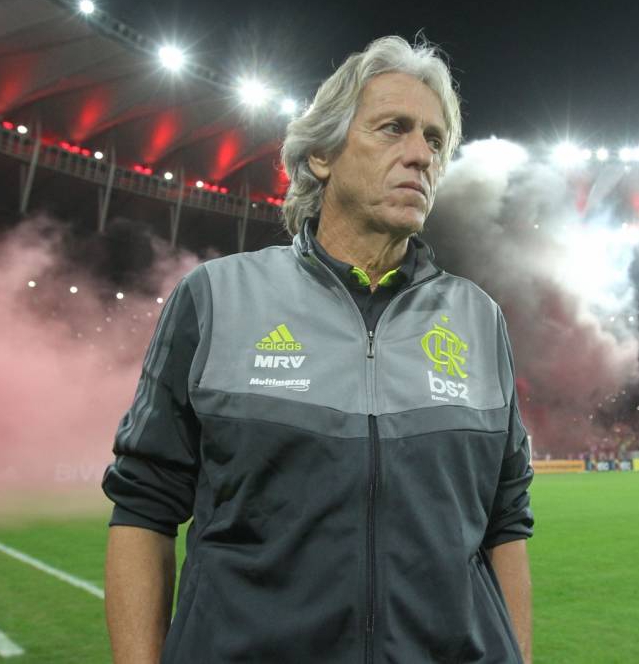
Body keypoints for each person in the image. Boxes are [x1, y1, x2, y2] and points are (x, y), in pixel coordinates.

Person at [101, 36, 534, 663]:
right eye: (394, 129)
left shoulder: (479, 320)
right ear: (323, 154)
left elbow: (506, 523)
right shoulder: (217, 300)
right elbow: (143, 508)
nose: (420, 155)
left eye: (435, 141)